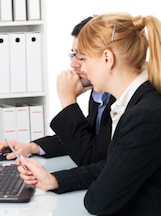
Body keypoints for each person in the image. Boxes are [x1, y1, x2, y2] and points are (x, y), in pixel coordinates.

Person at [17, 12, 161, 215]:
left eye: (83, 58)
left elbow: (97, 201)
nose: (80, 67)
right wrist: (55, 180)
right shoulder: (135, 102)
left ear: (107, 58)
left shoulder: (143, 115)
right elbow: (113, 164)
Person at [0, 16, 115, 166]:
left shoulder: (122, 101)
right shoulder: (101, 95)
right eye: (74, 55)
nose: (73, 64)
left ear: (107, 58)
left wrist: (68, 100)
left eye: (82, 57)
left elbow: (90, 158)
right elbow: (85, 137)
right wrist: (32, 147)